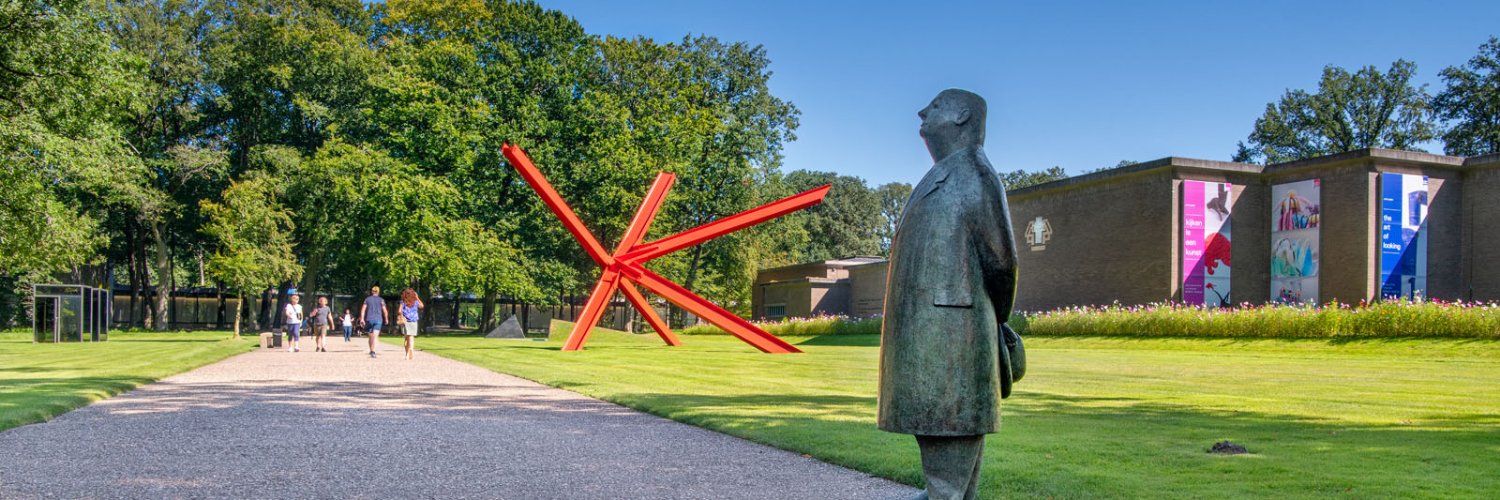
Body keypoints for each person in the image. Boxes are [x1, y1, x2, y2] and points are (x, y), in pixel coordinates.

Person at [879, 89, 1021, 500]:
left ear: (961, 116)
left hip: (951, 345)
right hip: (939, 344)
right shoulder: (947, 174)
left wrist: (994, 321)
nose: (923, 111)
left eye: (937, 105)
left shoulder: (974, 174)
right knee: (951, 483)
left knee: (947, 483)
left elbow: (1002, 263)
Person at [360, 286, 388, 358]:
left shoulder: (367, 299)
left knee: (371, 336)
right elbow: (385, 310)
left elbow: (363, 309)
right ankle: (373, 351)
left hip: (369, 319)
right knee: (375, 336)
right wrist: (386, 319)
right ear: (378, 292)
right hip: (378, 319)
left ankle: (371, 350)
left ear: (372, 291)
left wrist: (362, 319)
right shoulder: (381, 300)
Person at [397, 288, 424, 360]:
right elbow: (422, 306)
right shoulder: (415, 301)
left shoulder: (403, 302)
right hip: (414, 320)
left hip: (405, 321)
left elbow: (399, 311)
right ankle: (411, 349)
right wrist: (417, 297)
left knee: (406, 338)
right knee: (411, 337)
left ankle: (407, 354)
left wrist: (401, 316)